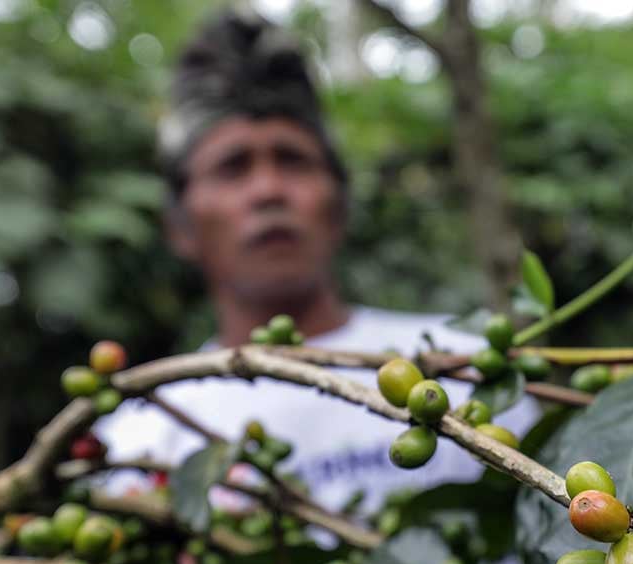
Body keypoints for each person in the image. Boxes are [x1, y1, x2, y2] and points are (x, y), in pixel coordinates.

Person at [94, 9, 540, 518]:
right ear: (180, 226)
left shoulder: (469, 372)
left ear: (340, 206)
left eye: (293, 160)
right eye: (232, 166)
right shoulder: (138, 439)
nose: (269, 190)